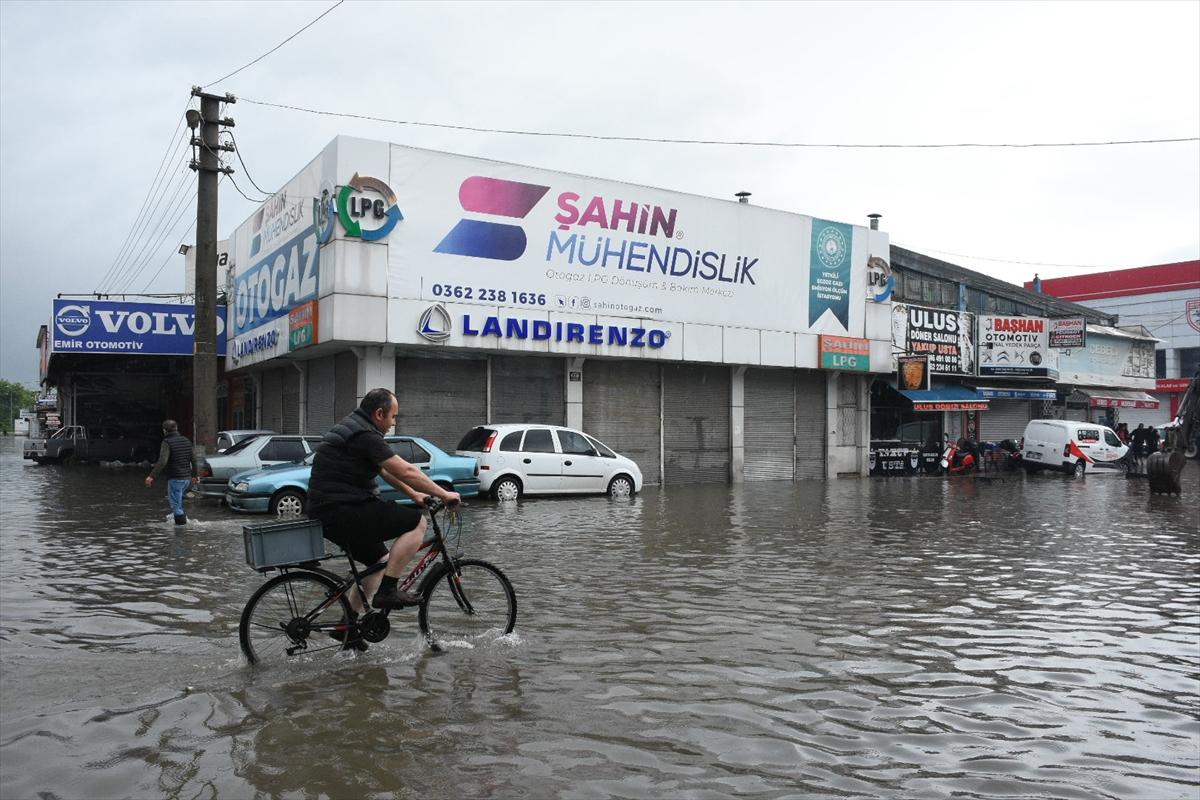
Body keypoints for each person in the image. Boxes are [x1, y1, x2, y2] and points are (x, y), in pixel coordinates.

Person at [308, 388, 461, 612]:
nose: (393, 424)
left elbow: (385, 471)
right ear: (379, 414)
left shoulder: (354, 426)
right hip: (342, 510)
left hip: (328, 511)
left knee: (379, 562)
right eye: (393, 417)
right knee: (418, 522)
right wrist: (444, 494)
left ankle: (348, 626)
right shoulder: (364, 435)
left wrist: (415, 495)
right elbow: (406, 471)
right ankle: (388, 591)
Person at [144, 419, 199, 525]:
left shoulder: (167, 442)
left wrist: (151, 476)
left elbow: (163, 461)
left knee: (176, 506)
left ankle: (181, 533)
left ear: (164, 431)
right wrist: (195, 476)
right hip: (187, 479)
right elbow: (194, 459)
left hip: (176, 478)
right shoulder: (186, 440)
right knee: (178, 504)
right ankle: (182, 523)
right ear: (176, 428)